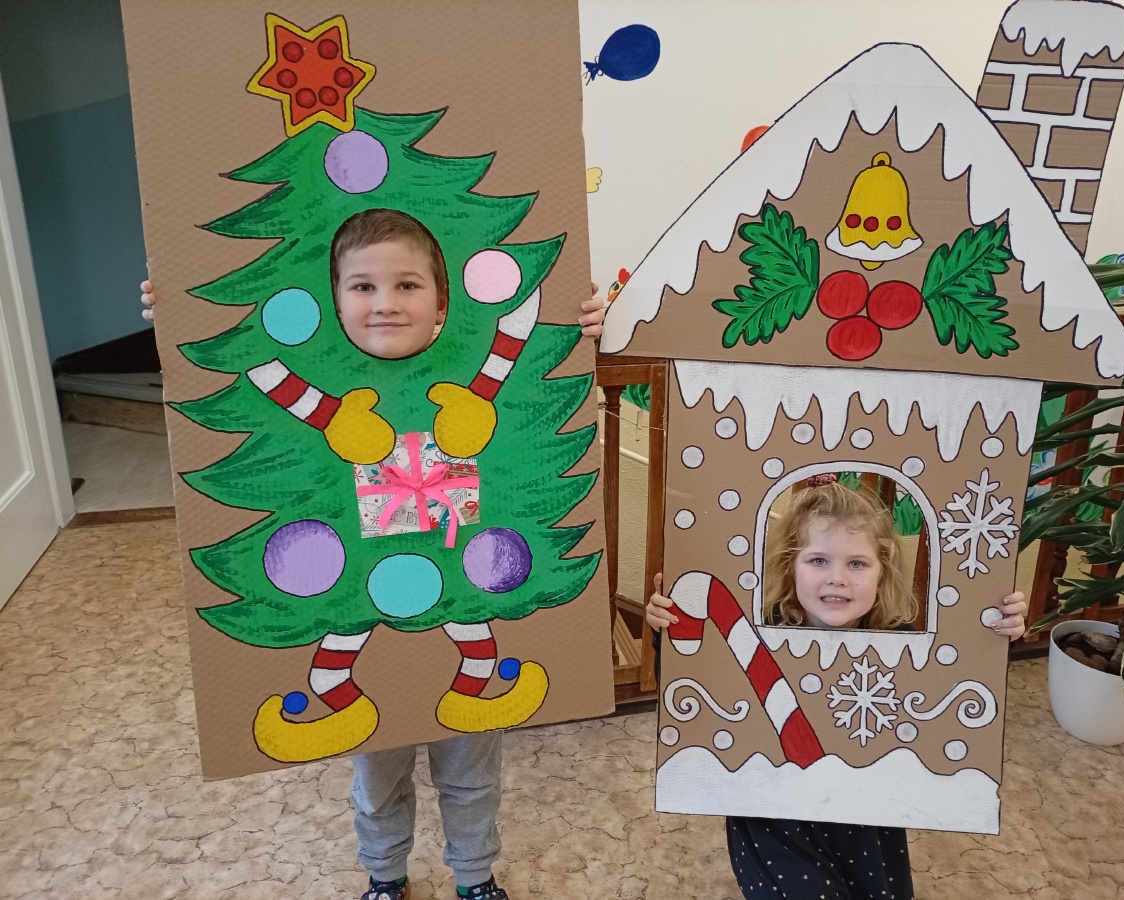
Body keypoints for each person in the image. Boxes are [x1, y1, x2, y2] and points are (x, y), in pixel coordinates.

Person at [143, 209, 601, 900]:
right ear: (333, 302)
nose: (385, 302)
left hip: (459, 580)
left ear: (443, 304)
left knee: (472, 769)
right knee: (377, 773)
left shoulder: (466, 387)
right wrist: (178, 308)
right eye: (362, 287)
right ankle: (385, 874)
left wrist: (583, 320)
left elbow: (516, 346)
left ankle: (475, 877)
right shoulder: (339, 403)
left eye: (407, 285)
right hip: (363, 590)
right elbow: (263, 375)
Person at [579, 301, 1027, 900]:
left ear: (882, 574)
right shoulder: (756, 628)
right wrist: (665, 627)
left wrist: (1000, 627)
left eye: (857, 564)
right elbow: (698, 672)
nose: (837, 579)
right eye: (818, 561)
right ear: (790, 569)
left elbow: (962, 667)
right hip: (767, 802)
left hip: (867, 806)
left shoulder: (901, 641)